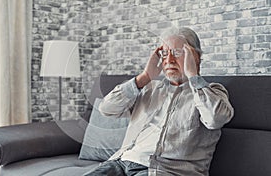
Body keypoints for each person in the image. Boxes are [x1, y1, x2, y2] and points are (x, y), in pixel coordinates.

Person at [84, 27, 234, 176]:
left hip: (164, 170)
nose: (169, 60)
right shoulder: (149, 89)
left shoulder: (211, 92)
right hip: (121, 163)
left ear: (195, 57)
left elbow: (216, 119)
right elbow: (107, 109)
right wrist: (143, 78)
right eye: (164, 53)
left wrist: (193, 77)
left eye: (177, 52)